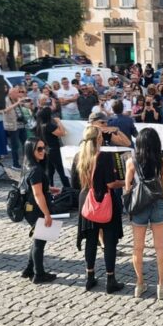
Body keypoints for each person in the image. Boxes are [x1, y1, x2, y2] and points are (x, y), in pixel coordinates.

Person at [72, 125, 126, 293]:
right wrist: (125, 182)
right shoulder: (103, 157)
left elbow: (74, 184)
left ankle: (90, 278)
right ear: (99, 139)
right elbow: (110, 183)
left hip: (86, 201)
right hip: (104, 200)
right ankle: (111, 279)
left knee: (91, 241)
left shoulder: (78, 156)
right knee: (109, 242)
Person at [125, 128, 163, 299]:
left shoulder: (131, 162)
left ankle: (139, 284)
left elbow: (128, 188)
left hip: (139, 205)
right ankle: (161, 285)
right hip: (157, 203)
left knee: (138, 248)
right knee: (160, 247)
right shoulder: (161, 161)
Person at [20, 138, 61, 283]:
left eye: (44, 148)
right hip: (37, 210)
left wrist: (49, 189)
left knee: (37, 239)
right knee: (40, 242)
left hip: (30, 208)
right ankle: (39, 274)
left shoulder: (28, 166)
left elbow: (35, 188)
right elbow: (38, 194)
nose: (43, 151)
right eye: (39, 149)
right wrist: (47, 215)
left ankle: (29, 269)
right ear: (31, 151)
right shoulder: (36, 170)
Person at [34, 107, 70, 187]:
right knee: (61, 171)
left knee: (49, 172)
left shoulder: (40, 124)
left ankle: (49, 187)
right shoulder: (49, 125)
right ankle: (67, 188)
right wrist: (59, 122)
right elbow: (62, 133)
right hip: (54, 150)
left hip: (46, 150)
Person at [4, 87, 31, 169]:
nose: (18, 94)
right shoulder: (6, 100)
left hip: (22, 124)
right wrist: (17, 102)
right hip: (13, 126)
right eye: (16, 93)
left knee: (26, 144)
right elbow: (5, 110)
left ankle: (27, 162)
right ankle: (15, 164)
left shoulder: (18, 99)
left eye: (18, 92)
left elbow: (25, 106)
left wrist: (28, 103)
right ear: (11, 94)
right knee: (15, 146)